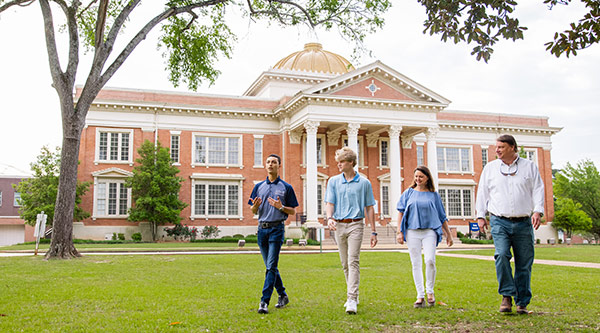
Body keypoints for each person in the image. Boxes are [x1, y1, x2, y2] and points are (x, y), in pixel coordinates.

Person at [475, 134, 544, 315]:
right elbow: (482, 192)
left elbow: (538, 189)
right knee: (502, 254)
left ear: (513, 147)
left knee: (524, 263)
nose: (497, 150)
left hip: (523, 222)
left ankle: (522, 302)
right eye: (496, 147)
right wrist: (480, 216)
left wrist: (538, 210)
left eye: (501, 147)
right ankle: (506, 295)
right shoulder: (490, 168)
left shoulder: (529, 167)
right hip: (499, 221)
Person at [325, 147, 378, 314]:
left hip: (356, 224)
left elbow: (369, 207)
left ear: (351, 163)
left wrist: (374, 231)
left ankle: (351, 298)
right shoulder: (333, 181)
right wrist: (329, 218)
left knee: (353, 260)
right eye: (338, 162)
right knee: (345, 263)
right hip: (339, 225)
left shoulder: (364, 183)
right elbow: (329, 203)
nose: (338, 165)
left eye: (341, 162)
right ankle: (353, 294)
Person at [396, 166, 453, 308]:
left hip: (430, 231)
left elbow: (442, 216)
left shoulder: (434, 195)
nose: (418, 179)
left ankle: (430, 291)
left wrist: (449, 234)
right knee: (415, 263)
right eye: (416, 176)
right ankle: (420, 295)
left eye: (421, 176)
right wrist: (399, 231)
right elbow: (400, 212)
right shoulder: (408, 193)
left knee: (430, 260)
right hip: (412, 231)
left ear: (427, 177)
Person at [249, 154, 299, 314]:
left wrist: (281, 206)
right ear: (265, 166)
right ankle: (283, 295)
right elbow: (252, 209)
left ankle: (264, 301)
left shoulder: (286, 187)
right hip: (262, 230)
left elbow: (293, 210)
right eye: (268, 162)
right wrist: (254, 207)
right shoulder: (258, 187)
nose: (271, 164)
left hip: (277, 229)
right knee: (271, 267)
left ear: (279, 166)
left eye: (274, 162)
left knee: (271, 267)